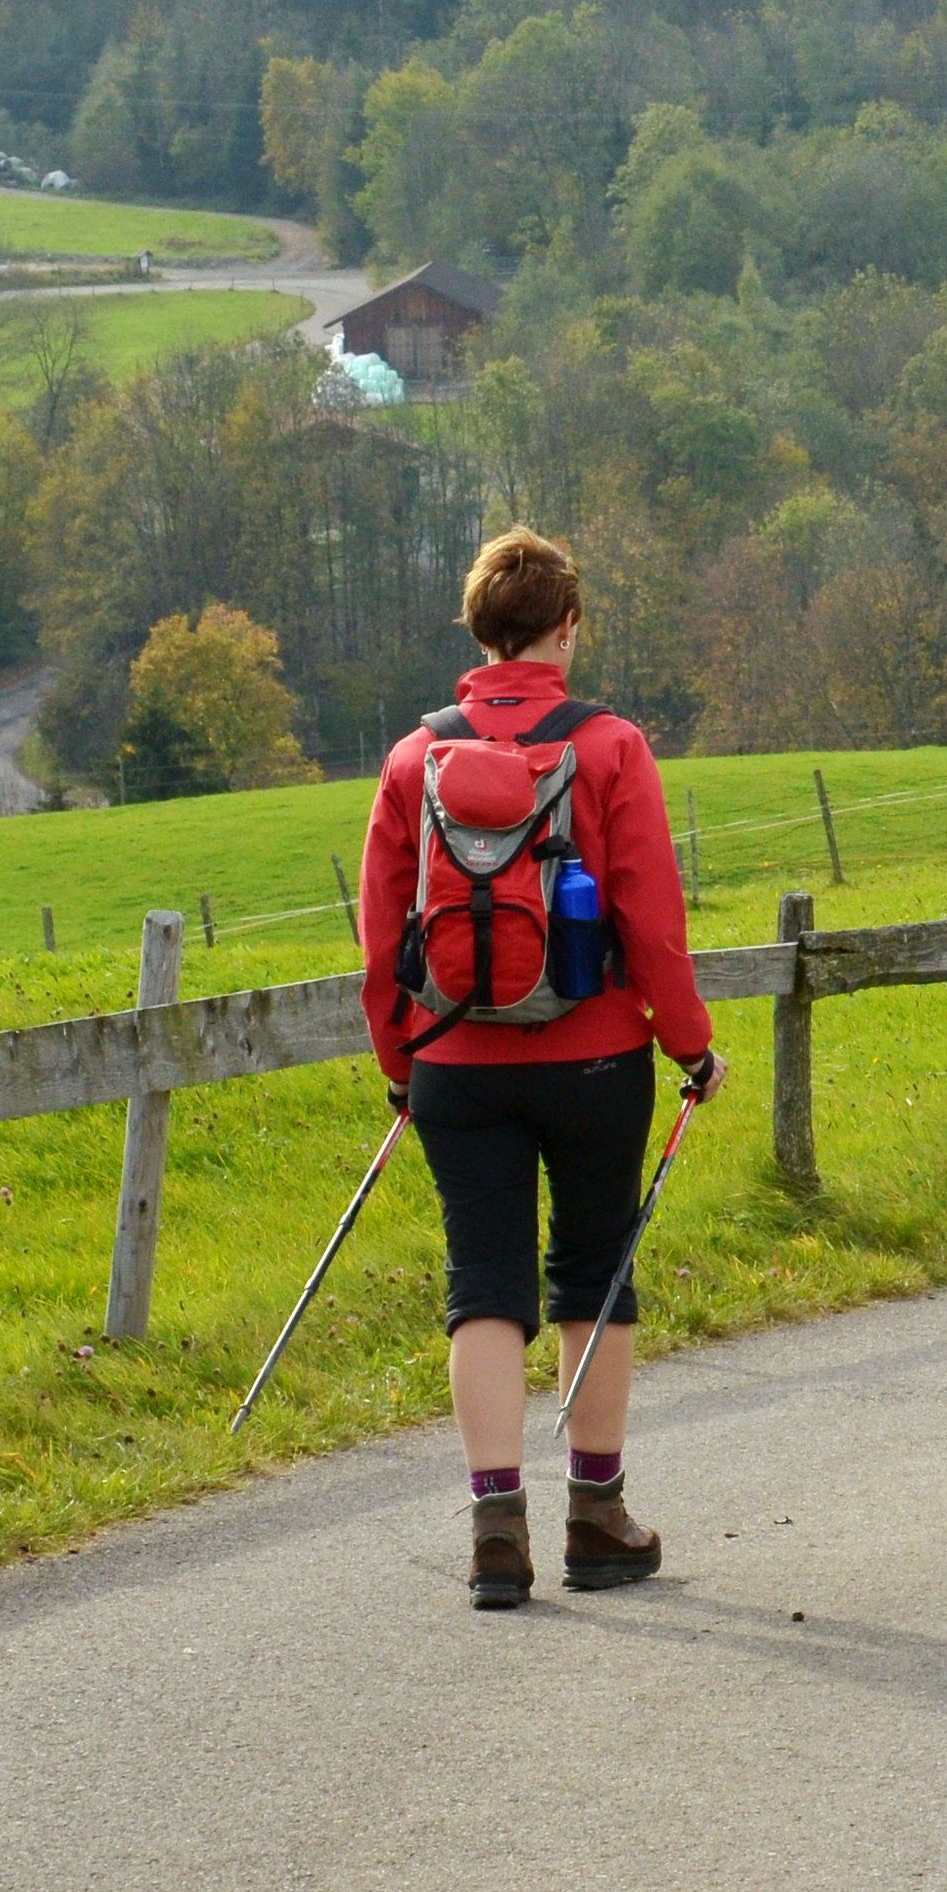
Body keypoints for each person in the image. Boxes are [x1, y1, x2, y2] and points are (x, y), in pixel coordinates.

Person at [359, 521, 719, 1610]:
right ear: (566, 630)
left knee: (484, 1284)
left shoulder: (412, 758)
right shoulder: (609, 748)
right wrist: (688, 1044)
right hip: (597, 1057)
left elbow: (382, 937)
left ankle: (494, 1532)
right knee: (594, 1273)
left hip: (454, 1064)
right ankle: (597, 1518)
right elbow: (652, 921)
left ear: (476, 628)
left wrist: (399, 1059)